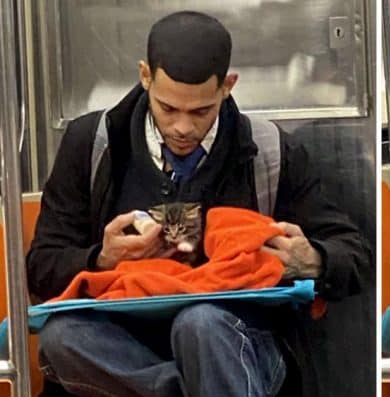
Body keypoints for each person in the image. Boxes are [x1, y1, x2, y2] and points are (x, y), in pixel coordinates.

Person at [27, 11, 369, 397]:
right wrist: (101, 259)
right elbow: (40, 268)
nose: (183, 129)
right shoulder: (92, 143)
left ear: (227, 86)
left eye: (201, 111)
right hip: (123, 346)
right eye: (168, 108)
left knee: (201, 324)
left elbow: (353, 253)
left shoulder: (271, 151)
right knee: (61, 338)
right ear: (145, 77)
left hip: (236, 340)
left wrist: (313, 259)